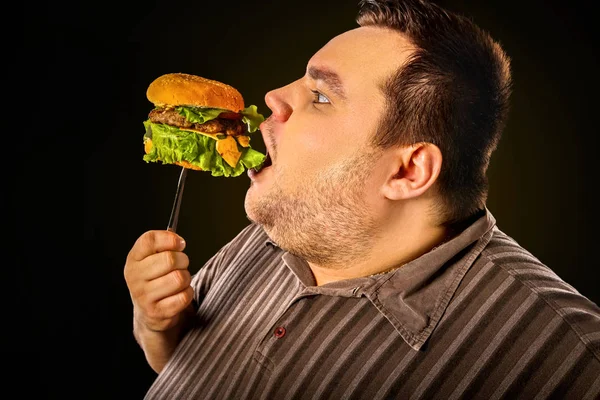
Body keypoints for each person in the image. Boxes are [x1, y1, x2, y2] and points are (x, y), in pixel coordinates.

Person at [124, 0, 600, 398]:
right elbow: (186, 371)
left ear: (408, 171)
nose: (271, 96)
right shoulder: (289, 223)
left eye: (322, 97)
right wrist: (160, 329)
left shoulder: (572, 359)